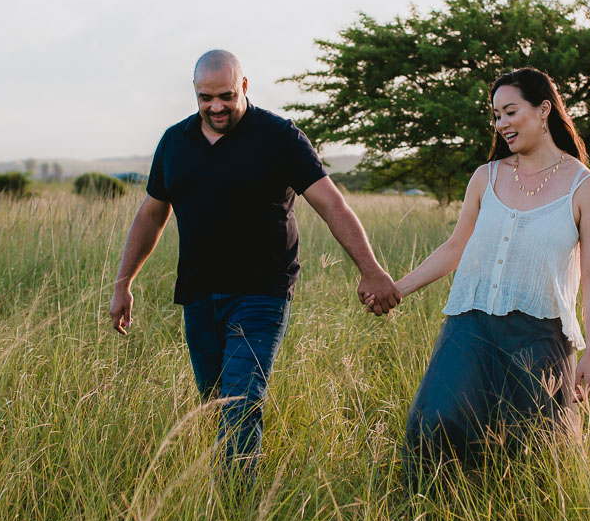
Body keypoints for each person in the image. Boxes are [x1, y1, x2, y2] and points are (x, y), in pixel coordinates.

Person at [110, 49, 402, 478]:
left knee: (242, 400)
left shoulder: (279, 137)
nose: (215, 106)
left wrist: (371, 269)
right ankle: (220, 493)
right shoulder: (175, 142)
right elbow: (152, 213)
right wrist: (123, 282)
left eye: (226, 95)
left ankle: (238, 504)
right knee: (214, 402)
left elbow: (330, 203)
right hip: (198, 294)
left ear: (244, 86)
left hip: (261, 292)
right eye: (205, 97)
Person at [370, 67, 590, 480]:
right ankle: (434, 517)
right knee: (435, 422)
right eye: (496, 116)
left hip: (540, 336)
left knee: (537, 456)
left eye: (510, 112)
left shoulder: (585, 188)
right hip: (472, 326)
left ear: (543, 110)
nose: (501, 125)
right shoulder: (487, 177)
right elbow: (453, 249)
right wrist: (398, 289)